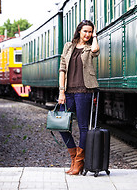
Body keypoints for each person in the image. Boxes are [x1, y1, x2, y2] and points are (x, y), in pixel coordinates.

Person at [58, 20, 100, 175]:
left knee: (83, 127)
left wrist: (95, 36)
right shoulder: (69, 46)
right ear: (79, 31)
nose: (88, 34)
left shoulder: (90, 47)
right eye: (85, 31)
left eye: (90, 32)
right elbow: (62, 69)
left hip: (84, 91)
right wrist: (61, 92)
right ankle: (74, 155)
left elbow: (96, 50)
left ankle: (79, 161)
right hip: (68, 92)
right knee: (61, 125)